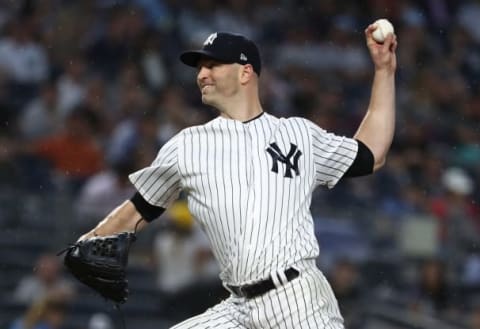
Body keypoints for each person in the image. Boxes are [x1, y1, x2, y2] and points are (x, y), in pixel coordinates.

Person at [77, 26, 397, 328]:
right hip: (238, 308)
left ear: (245, 72)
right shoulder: (186, 145)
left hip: (299, 299)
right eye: (199, 66)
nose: (202, 74)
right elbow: (140, 208)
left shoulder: (298, 134)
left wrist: (384, 71)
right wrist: (89, 242)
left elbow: (371, 153)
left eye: (213, 65)